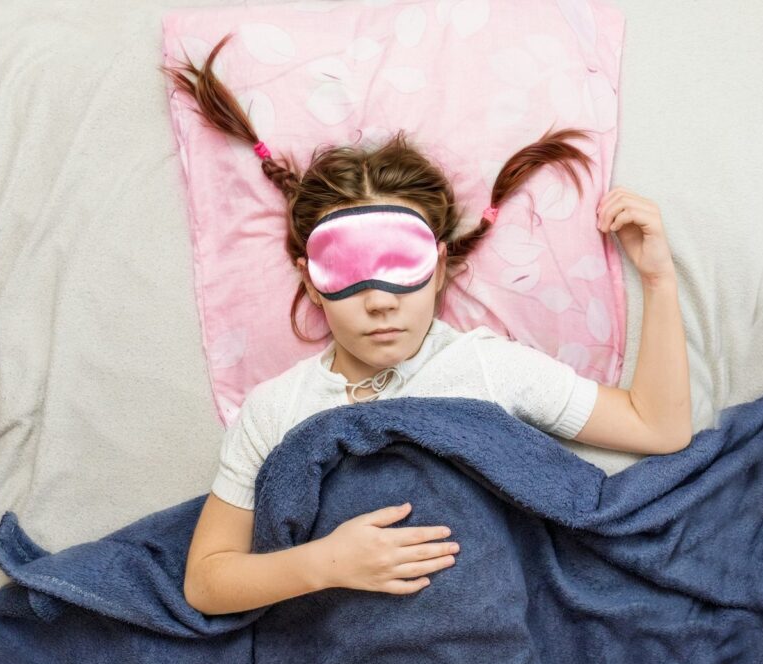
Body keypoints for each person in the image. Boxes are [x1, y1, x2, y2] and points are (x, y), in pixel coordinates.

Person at [160, 33, 692, 617]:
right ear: (311, 280)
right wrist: (325, 563)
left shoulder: (488, 366)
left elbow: (658, 428)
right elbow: (206, 581)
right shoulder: (275, 410)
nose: (381, 301)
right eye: (350, 271)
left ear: (439, 268)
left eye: (401, 267)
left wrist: (660, 282)